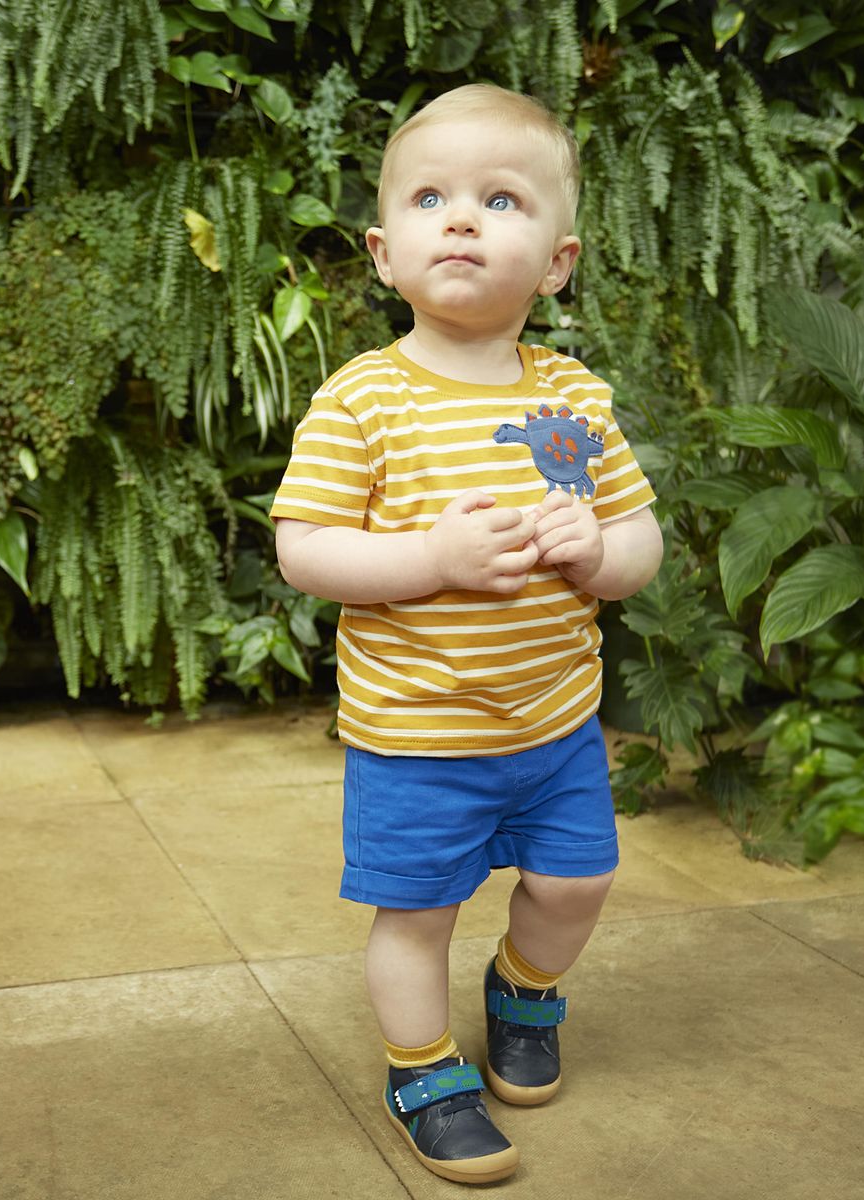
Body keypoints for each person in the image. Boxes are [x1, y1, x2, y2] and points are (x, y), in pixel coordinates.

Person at [269, 83, 663, 1185]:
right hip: (418, 736)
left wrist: (597, 553)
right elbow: (306, 549)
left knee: (578, 885)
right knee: (417, 915)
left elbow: (640, 544)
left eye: (500, 199)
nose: (460, 219)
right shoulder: (363, 401)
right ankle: (423, 1068)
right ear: (384, 252)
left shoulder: (577, 400)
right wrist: (430, 564)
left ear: (556, 261)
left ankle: (525, 990)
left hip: (553, 725)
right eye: (431, 197)